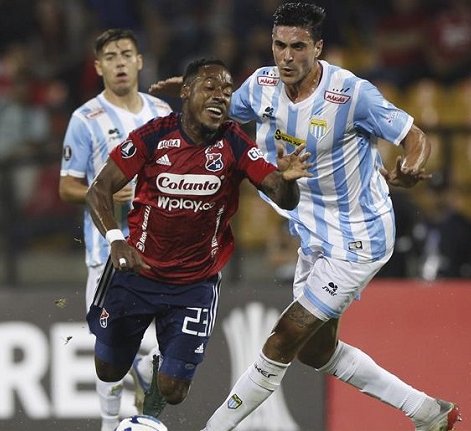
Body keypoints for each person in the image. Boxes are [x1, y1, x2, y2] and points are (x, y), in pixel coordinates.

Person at [193, 3, 460, 430]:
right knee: (315, 352)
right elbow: (219, 115)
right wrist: (190, 97)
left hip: (359, 237)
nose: (286, 56)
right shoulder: (262, 84)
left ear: (318, 47)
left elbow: (414, 137)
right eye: (279, 45)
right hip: (312, 232)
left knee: (283, 338)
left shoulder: (351, 94)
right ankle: (428, 411)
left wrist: (410, 167)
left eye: (298, 47)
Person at [84, 57, 312, 426]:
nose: (221, 96)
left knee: (174, 390)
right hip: (137, 273)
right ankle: (140, 368)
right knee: (107, 370)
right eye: (210, 87)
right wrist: (115, 239)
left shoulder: (234, 143)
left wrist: (288, 182)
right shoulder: (153, 135)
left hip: (194, 284)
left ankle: (154, 384)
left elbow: (281, 196)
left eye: (227, 91)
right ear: (186, 92)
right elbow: (98, 190)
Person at [58, 28, 172, 431]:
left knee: (159, 353)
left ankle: (143, 413)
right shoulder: (85, 119)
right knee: (109, 345)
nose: (119, 62)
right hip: (107, 253)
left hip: (160, 251)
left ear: (139, 61)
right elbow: (66, 186)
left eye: (126, 54)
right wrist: (102, 190)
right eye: (110, 56)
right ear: (98, 67)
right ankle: (110, 424)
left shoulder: (162, 113)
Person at [416, 171, 471, 280]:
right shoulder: (418, 222)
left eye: (442, 191)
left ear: (449, 193)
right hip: (420, 283)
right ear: (427, 194)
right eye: (434, 192)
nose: (438, 197)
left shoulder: (462, 225)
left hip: (454, 283)